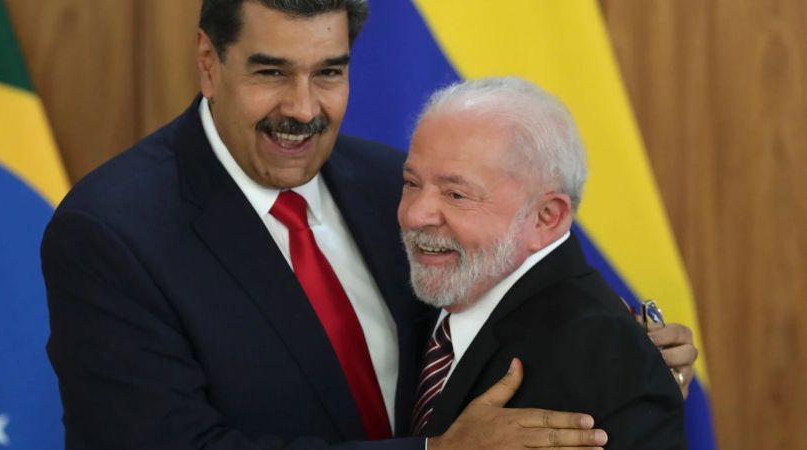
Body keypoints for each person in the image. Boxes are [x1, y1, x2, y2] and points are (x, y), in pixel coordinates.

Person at [41, 1, 695, 448]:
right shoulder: (112, 232)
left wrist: (620, 358)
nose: (302, 109)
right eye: (271, 72)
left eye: (329, 72)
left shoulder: (396, 184)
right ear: (209, 62)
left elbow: (532, 286)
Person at [399, 77, 687, 448]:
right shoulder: (431, 282)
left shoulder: (604, 355)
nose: (415, 214)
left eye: (456, 194)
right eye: (411, 183)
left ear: (546, 217)